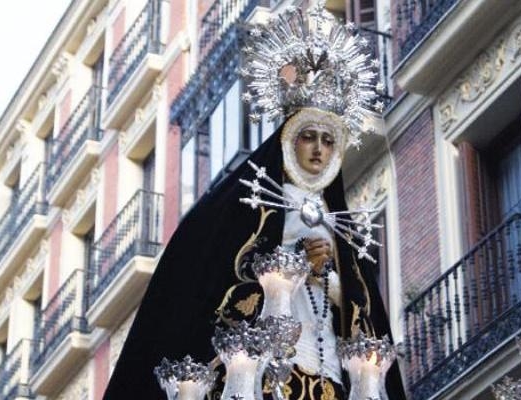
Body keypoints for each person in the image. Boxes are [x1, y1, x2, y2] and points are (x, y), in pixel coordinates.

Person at [104, 5, 404, 399]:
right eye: (308, 136)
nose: (318, 149)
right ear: (289, 138)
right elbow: (215, 276)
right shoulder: (250, 203)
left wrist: (328, 274)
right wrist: (294, 266)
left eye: (328, 140)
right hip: (268, 369)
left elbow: (359, 310)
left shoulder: (339, 224)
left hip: (328, 369)